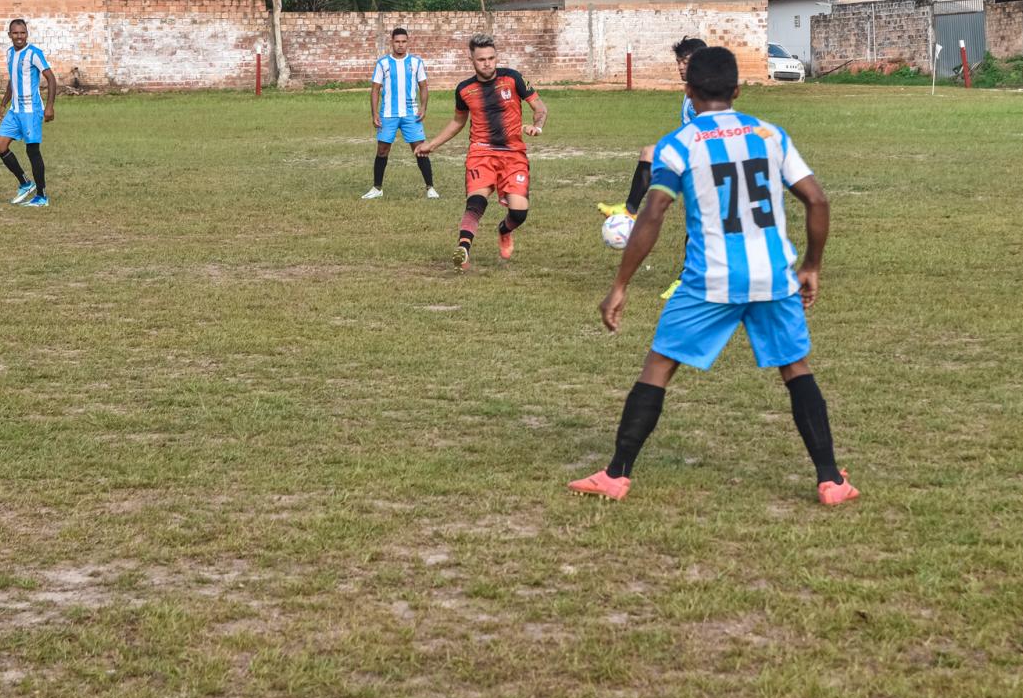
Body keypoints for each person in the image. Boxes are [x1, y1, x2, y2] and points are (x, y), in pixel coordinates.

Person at [567, 46, 858, 506]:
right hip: (773, 277)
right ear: (737, 90)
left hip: (710, 281)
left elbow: (654, 211)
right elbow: (818, 201)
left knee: (659, 367)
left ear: (688, 91)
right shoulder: (769, 134)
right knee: (796, 369)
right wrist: (811, 266)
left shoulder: (679, 144)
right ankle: (831, 481)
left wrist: (620, 284)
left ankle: (617, 474)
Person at [415, 33, 547, 270]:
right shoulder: (464, 90)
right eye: (481, 59)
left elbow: (540, 107)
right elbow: (458, 122)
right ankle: (463, 250)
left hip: (513, 154)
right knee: (476, 202)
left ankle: (504, 230)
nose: (487, 63)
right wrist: (431, 145)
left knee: (519, 213)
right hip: (481, 152)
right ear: (472, 60)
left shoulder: (513, 78)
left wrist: (537, 126)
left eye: (491, 58)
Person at [597, 36, 706, 220]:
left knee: (701, 217)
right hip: (694, 156)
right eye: (678, 62)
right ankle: (630, 209)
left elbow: (704, 129)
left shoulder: (703, 91)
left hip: (703, 158)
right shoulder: (693, 88)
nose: (680, 67)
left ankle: (630, 210)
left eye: (685, 62)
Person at [362, 27, 438, 200]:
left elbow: (424, 86)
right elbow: (375, 89)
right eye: (397, 41)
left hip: (411, 114)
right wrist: (374, 113)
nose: (400, 45)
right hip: (388, 114)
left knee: (420, 150)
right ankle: (377, 188)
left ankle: (430, 188)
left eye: (404, 41)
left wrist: (423, 107)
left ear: (407, 42)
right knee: (382, 150)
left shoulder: (416, 62)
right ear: (392, 42)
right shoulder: (383, 63)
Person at [0, 18, 55, 207]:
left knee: (32, 151)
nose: (19, 36)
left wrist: (50, 106)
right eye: (15, 33)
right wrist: (4, 104)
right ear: (9, 34)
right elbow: (13, 81)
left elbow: (51, 79)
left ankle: (42, 196)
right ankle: (26, 183)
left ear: (26, 34)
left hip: (31, 111)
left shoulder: (34, 53)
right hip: (15, 111)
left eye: (23, 33)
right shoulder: (10, 53)